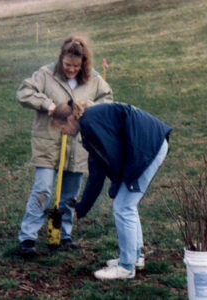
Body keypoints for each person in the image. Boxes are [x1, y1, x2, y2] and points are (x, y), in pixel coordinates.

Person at [51, 100, 172, 280]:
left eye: (62, 129)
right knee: (126, 204)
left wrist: (88, 204)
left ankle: (126, 267)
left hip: (147, 146)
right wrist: (84, 206)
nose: (64, 134)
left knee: (123, 207)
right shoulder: (90, 122)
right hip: (148, 142)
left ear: (69, 119)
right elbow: (101, 166)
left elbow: (107, 164)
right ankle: (135, 257)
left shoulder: (90, 125)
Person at [17, 34, 113, 254]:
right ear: (61, 59)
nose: (71, 70)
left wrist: (85, 107)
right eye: (67, 65)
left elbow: (107, 101)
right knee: (43, 189)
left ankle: (63, 235)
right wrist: (49, 106)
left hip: (77, 146)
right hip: (48, 142)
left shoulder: (94, 79)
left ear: (84, 64)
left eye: (76, 67)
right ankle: (28, 237)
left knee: (70, 194)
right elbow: (23, 93)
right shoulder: (46, 74)